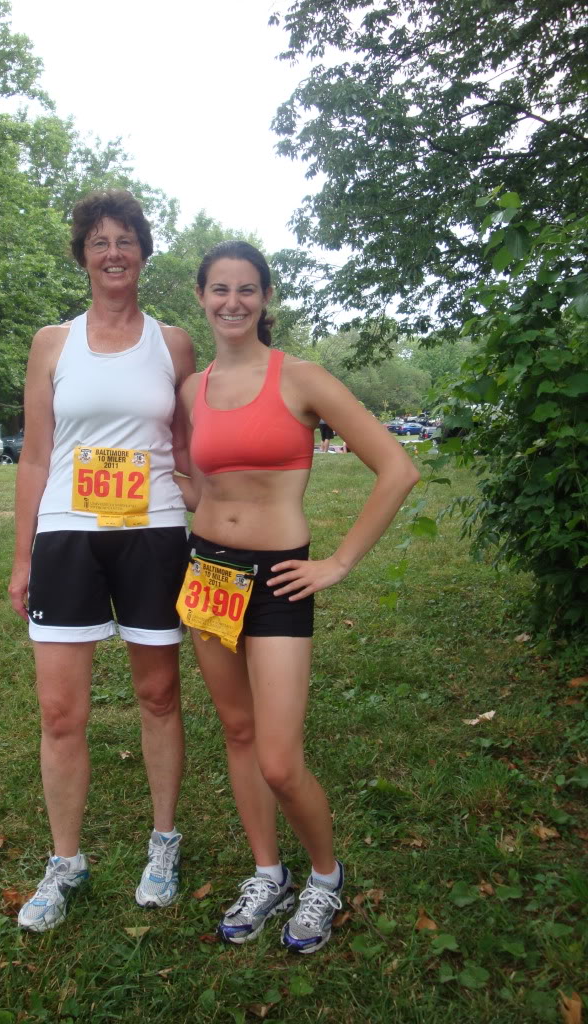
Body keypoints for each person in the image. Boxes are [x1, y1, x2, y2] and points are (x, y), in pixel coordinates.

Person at [178, 241, 419, 954]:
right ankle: (267, 872)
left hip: (279, 578)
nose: (232, 302)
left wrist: (338, 562)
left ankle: (323, 874)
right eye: (219, 289)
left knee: (279, 759)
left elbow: (397, 469)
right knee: (238, 733)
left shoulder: (302, 378)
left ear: (265, 298)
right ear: (200, 297)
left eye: (246, 289)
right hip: (208, 576)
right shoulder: (193, 388)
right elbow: (207, 482)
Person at [8, 189, 195, 932]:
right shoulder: (52, 343)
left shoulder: (174, 342)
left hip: (154, 531)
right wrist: (21, 557)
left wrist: (214, 520)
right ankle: (66, 861)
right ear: (83, 256)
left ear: (144, 253)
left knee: (157, 695)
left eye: (126, 240)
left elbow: (187, 448)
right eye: (99, 242)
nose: (113, 252)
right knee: (60, 711)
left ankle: (163, 842)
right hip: (66, 532)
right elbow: (36, 456)